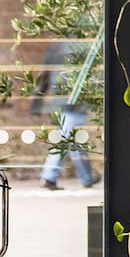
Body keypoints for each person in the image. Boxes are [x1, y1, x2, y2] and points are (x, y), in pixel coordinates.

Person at [32, 39, 98, 190]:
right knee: (67, 138)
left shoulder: (57, 44)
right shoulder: (83, 42)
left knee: (72, 138)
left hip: (62, 99)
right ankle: (49, 176)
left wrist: (37, 100)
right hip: (72, 100)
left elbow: (45, 74)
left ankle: (87, 176)